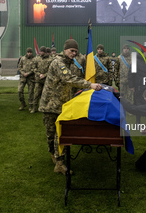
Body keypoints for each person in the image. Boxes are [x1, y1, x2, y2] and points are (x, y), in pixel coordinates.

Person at [38, 39, 102, 175]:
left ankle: (59, 163)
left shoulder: (70, 63)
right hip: (50, 104)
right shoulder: (58, 62)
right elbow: (69, 79)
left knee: (60, 134)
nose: (73, 53)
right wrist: (89, 85)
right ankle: (54, 155)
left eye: (75, 52)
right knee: (50, 134)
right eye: (71, 51)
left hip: (63, 105)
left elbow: (72, 81)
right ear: (65, 49)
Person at [32, 46, 53, 113]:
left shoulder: (50, 59)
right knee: (36, 94)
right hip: (38, 79)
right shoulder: (37, 59)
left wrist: (44, 75)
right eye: (40, 51)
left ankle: (45, 107)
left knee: (46, 95)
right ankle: (34, 108)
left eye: (41, 51)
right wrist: (39, 74)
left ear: (44, 52)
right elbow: (34, 68)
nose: (40, 52)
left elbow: (51, 70)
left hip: (46, 80)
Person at [18, 47, 35, 112]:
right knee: (20, 90)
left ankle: (30, 105)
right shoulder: (22, 58)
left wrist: (28, 73)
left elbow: (34, 68)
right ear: (26, 52)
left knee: (31, 92)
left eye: (30, 52)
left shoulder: (34, 59)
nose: (29, 53)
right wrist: (23, 73)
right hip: (23, 77)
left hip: (30, 78)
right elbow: (19, 67)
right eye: (28, 52)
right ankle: (23, 103)